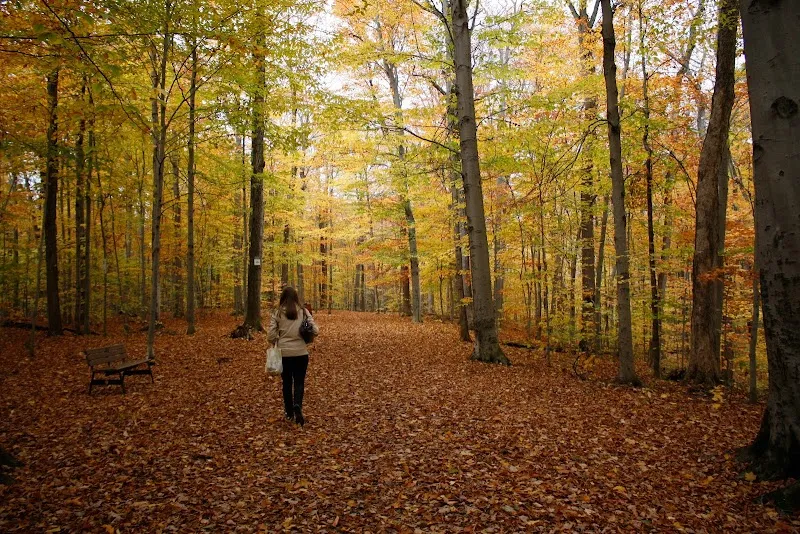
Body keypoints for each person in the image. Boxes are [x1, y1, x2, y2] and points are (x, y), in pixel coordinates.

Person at [267, 286, 319, 426]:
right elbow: (315, 330)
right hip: (301, 353)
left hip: (284, 354)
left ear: (283, 297)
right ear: (296, 297)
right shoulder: (303, 311)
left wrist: (277, 339)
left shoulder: (278, 313)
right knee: (299, 382)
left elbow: (271, 335)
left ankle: (289, 412)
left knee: (287, 383)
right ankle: (297, 405)